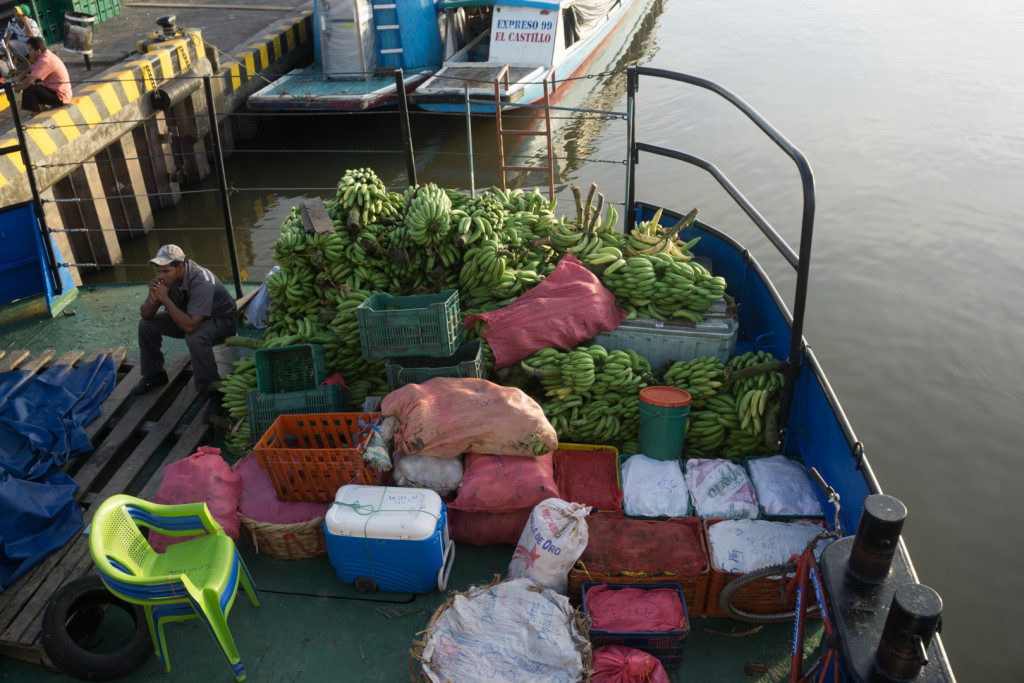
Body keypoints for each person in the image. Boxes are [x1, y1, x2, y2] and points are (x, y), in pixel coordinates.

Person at [132, 245, 238, 399]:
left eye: (166, 271)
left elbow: (190, 327)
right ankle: (155, 375)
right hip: (189, 317)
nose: (161, 276)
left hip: (220, 320)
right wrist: (154, 301)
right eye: (158, 271)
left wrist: (164, 298)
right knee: (146, 325)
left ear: (180, 267)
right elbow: (145, 315)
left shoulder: (201, 281)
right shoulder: (164, 280)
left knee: (195, 337)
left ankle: (214, 392)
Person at [14, 36, 71, 114]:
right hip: (55, 92)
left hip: (60, 97)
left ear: (38, 51)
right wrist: (19, 80)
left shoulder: (45, 61)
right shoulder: (44, 55)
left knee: (29, 87)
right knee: (31, 79)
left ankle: (36, 113)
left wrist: (16, 88)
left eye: (30, 50)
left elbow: (28, 82)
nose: (29, 53)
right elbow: (29, 70)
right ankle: (43, 107)